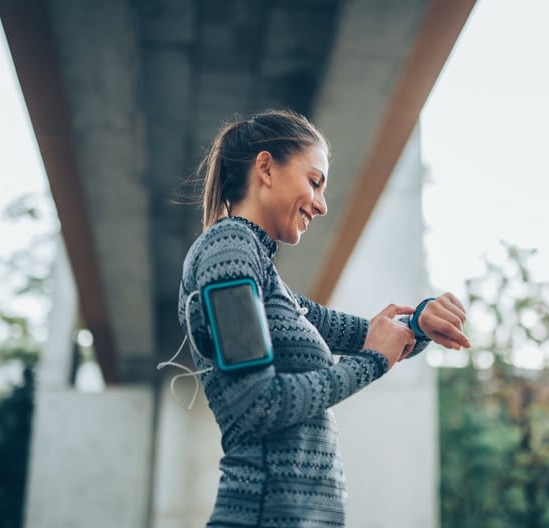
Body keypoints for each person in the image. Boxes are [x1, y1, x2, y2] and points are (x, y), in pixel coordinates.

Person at [177, 109, 470, 527]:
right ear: (266, 168)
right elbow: (257, 405)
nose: (322, 204)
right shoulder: (228, 253)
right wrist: (371, 362)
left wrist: (420, 321)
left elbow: (366, 334)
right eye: (314, 181)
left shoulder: (267, 278)